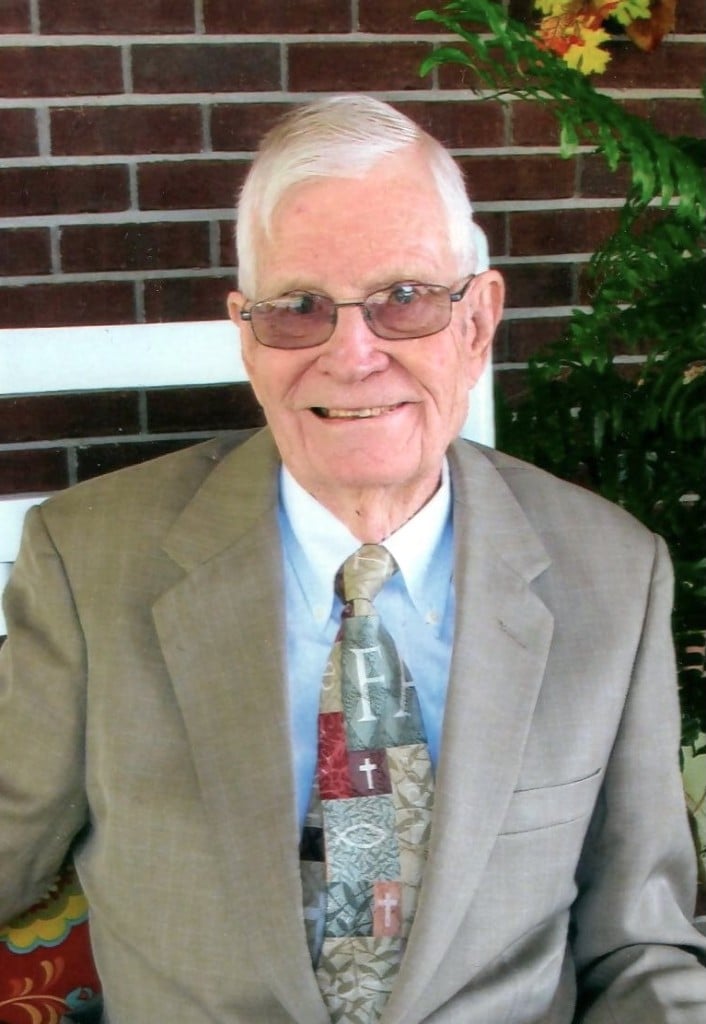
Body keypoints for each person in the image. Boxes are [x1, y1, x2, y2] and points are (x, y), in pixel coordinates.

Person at [1, 94, 704, 1024]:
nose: (353, 354)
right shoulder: (90, 561)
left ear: (477, 322)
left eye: (404, 299)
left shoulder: (612, 575)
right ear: (247, 336)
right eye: (299, 309)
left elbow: (640, 944)